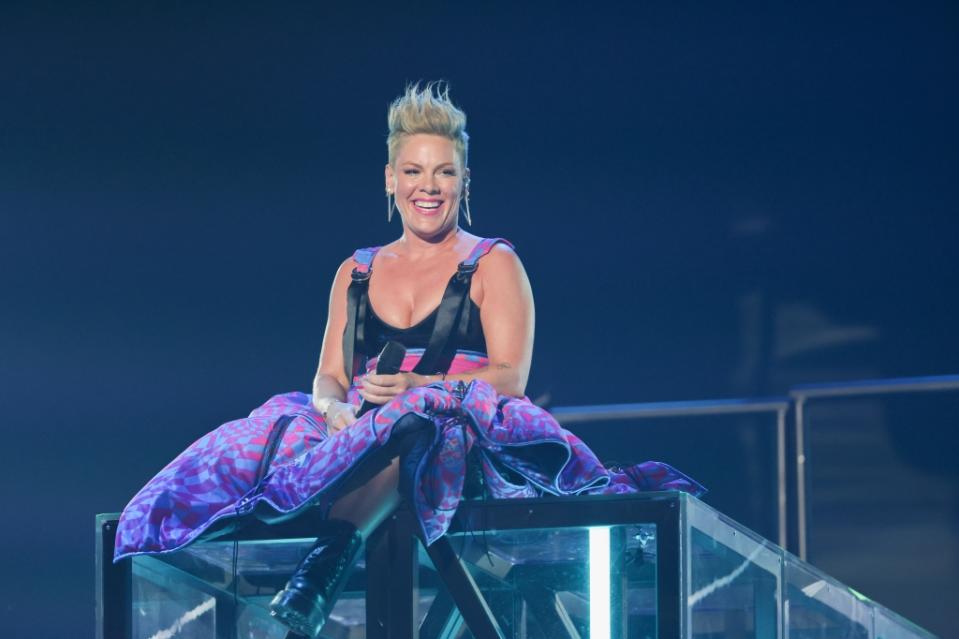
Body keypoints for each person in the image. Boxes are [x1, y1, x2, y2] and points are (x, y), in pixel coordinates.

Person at [113, 82, 704, 638]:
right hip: (363, 427)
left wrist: (420, 384)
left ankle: (324, 566)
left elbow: (510, 377)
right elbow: (329, 375)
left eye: (445, 172)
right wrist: (332, 407)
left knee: (418, 419)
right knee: (255, 441)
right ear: (391, 179)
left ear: (464, 181)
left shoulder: (495, 263)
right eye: (415, 171)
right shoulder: (356, 270)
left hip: (463, 428)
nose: (430, 186)